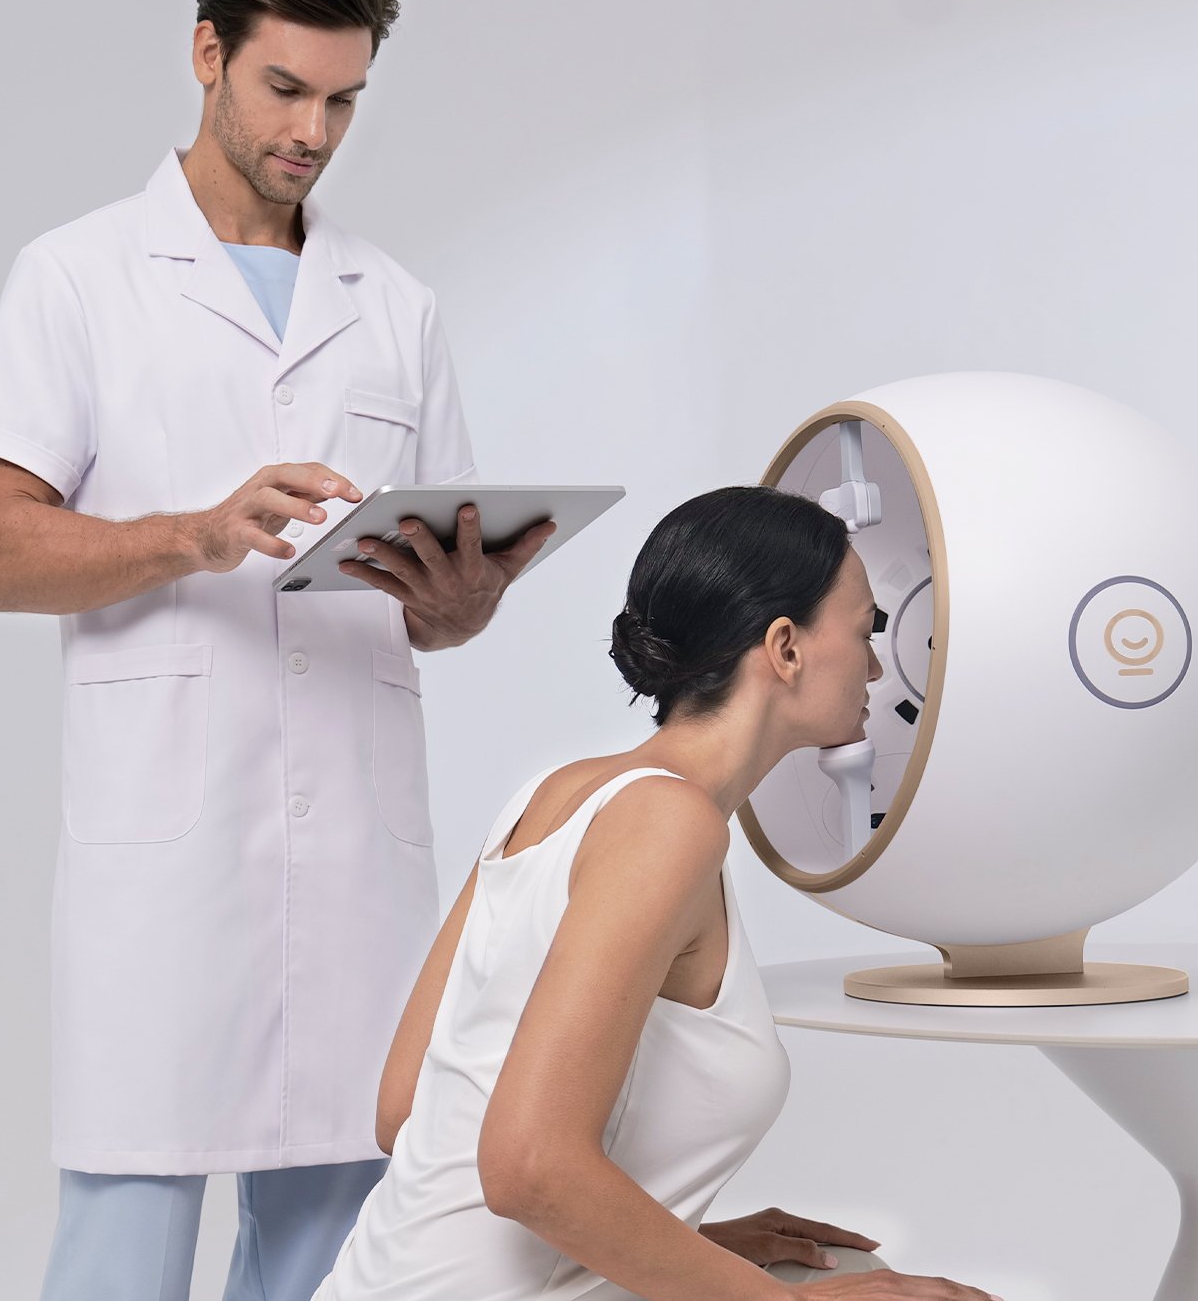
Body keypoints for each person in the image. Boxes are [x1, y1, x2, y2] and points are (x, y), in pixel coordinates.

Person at [0, 0, 556, 1301]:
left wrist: (460, 601)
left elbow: (434, 608)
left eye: (343, 101)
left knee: (346, 1250)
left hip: (352, 859)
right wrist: (197, 534)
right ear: (208, 55)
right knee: (125, 1236)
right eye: (285, 89)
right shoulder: (80, 277)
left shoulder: (392, 306)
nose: (313, 131)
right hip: (166, 849)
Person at [314, 486, 1003, 1300]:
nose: (878, 665)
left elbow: (409, 1116)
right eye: (864, 632)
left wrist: (685, 1246)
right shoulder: (670, 825)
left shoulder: (557, 794)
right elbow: (526, 1168)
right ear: (784, 647)